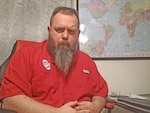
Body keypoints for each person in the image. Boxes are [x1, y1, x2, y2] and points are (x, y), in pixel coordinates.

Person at [0, 6, 108, 113]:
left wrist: (95, 107)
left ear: (78, 34)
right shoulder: (25, 56)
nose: (65, 36)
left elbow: (101, 93)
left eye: (71, 31)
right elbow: (9, 100)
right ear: (49, 30)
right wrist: (55, 112)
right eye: (59, 30)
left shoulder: (86, 61)